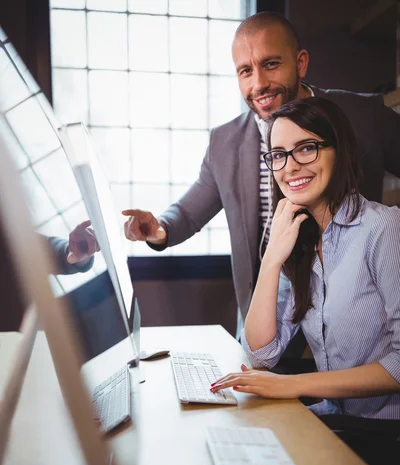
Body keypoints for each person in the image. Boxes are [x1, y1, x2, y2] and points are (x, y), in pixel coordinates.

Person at [122, 11, 400, 337]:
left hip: (355, 328)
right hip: (266, 322)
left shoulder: (363, 116)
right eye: (245, 71)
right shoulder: (224, 142)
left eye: (270, 64)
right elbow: (187, 212)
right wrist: (158, 228)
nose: (258, 84)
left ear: (300, 63)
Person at [210, 96, 400, 465]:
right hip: (338, 420)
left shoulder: (384, 229)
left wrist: (293, 386)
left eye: (307, 148)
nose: (291, 165)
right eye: (278, 154)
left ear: (339, 149)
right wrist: (272, 259)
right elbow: (262, 351)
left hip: (384, 437)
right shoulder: (296, 236)